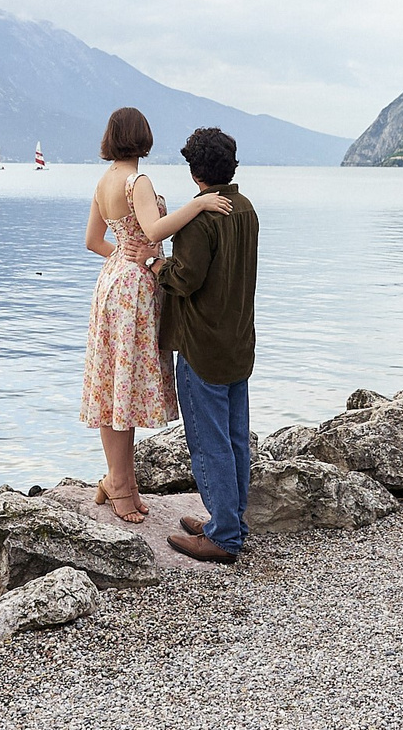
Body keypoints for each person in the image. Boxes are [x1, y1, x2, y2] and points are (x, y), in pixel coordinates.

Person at [80, 106, 229, 524]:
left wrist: (124, 259)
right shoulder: (136, 180)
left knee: (114, 385)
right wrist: (198, 207)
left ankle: (119, 481)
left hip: (111, 284)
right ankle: (121, 485)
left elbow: (93, 241)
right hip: (133, 292)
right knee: (122, 388)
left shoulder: (105, 180)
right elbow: (153, 232)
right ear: (142, 137)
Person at [153, 126, 257, 563]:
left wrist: (159, 265)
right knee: (234, 438)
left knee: (208, 441)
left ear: (196, 174)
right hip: (237, 342)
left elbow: (187, 278)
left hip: (202, 347)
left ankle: (223, 537)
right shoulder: (245, 209)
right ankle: (230, 520)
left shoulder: (199, 221)